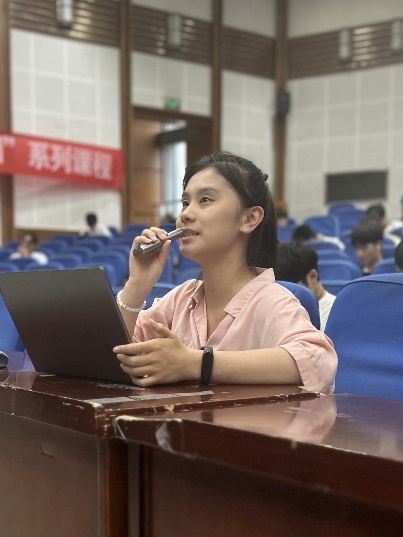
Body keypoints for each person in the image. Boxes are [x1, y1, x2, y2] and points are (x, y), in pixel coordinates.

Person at [112, 151, 337, 393]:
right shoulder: (180, 299)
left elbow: (318, 362)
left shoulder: (271, 301)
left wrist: (198, 364)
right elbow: (115, 353)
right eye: (185, 203)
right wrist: (137, 285)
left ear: (250, 218)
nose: (185, 214)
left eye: (205, 200)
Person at [275, 242, 336, 332]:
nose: (290, 295)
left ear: (313, 276)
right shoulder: (277, 310)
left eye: (294, 290)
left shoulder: (336, 313)